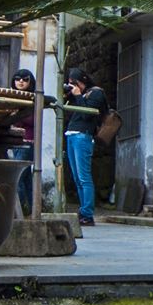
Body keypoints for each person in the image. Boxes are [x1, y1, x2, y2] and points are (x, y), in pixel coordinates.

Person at [62, 67, 108, 227]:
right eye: (69, 83)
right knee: (76, 177)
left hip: (83, 136)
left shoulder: (96, 93)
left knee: (84, 176)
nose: (73, 86)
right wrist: (69, 95)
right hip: (72, 135)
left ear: (83, 81)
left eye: (75, 83)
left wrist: (78, 96)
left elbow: (87, 114)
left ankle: (87, 214)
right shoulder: (79, 95)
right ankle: (83, 210)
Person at [7, 68, 37, 217]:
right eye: (18, 79)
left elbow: (33, 120)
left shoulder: (32, 98)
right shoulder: (13, 96)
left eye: (25, 79)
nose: (20, 82)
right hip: (16, 142)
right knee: (25, 179)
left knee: (18, 178)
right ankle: (29, 211)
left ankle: (20, 212)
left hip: (27, 142)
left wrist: (17, 114)